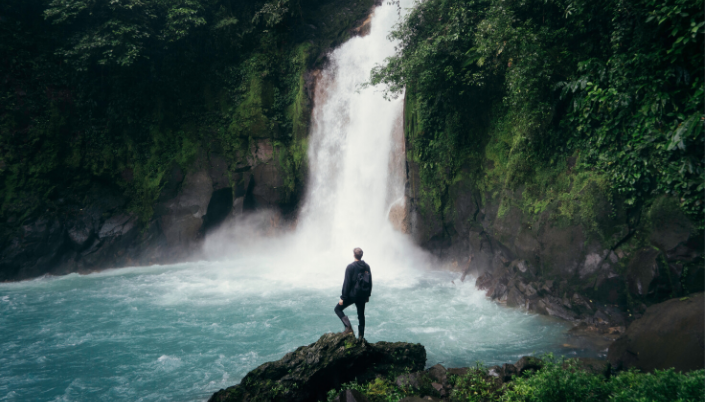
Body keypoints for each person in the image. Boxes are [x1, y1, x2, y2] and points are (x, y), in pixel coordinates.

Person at [334, 247, 372, 341]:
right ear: (361, 255)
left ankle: (348, 328)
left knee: (338, 309)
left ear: (354, 255)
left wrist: (343, 297)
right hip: (362, 295)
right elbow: (370, 282)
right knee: (361, 315)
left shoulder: (350, 267)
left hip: (353, 295)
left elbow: (347, 283)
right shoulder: (366, 266)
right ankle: (361, 337)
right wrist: (367, 295)